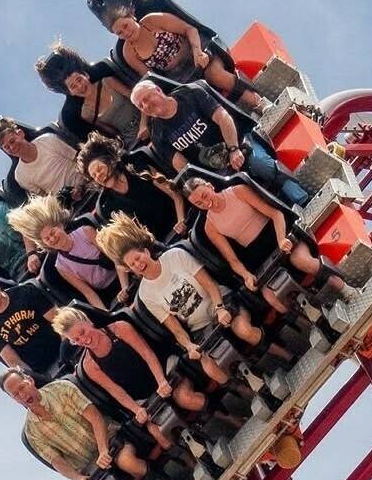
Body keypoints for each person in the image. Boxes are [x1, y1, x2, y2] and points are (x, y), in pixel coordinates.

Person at [95, 212, 262, 387]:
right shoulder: (145, 294)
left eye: (138, 258)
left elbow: (210, 285)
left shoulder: (175, 256)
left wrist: (220, 308)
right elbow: (175, 329)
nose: (138, 265)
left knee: (244, 330)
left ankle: (276, 355)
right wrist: (189, 345)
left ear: (145, 251)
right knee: (211, 368)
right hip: (201, 327)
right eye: (132, 265)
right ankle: (250, 392)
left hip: (220, 302)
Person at [86, 0, 265, 111]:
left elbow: (190, 29)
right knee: (195, 99)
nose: (126, 33)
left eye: (125, 26)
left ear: (131, 16)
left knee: (214, 75)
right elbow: (152, 78)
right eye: (119, 33)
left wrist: (197, 51)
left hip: (198, 52)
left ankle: (259, 103)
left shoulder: (153, 20)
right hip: (179, 78)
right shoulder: (129, 53)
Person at [0, 366, 148, 480]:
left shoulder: (61, 388)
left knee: (127, 462)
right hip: (90, 469)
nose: (22, 395)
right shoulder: (32, 432)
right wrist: (77, 478)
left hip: (110, 442)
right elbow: (57, 462)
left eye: (22, 387)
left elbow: (96, 418)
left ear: (29, 380)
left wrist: (103, 450)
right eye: (16, 394)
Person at [130, 80, 309, 208]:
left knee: (260, 164)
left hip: (238, 143)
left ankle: (302, 200)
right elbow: (181, 165)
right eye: (141, 106)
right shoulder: (158, 134)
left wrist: (234, 149)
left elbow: (223, 117)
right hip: (216, 172)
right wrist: (201, 184)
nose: (146, 106)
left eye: (147, 98)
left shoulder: (191, 93)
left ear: (158, 90)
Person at [181, 176, 349, 311]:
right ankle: (316, 313)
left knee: (301, 261)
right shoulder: (210, 227)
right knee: (273, 299)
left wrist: (281, 238)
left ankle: (345, 289)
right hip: (258, 255)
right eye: (199, 204)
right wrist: (246, 275)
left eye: (204, 196)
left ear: (210, 186)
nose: (205, 203)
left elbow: (276, 214)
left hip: (276, 234)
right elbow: (233, 261)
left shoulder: (237, 192)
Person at [51, 305, 207, 425]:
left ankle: (229, 418)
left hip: (164, 370)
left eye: (83, 332)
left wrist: (161, 381)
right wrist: (136, 409)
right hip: (143, 396)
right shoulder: (89, 365)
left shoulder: (120, 328)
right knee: (159, 429)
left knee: (185, 398)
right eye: (76, 340)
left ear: (89, 322)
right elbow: (116, 391)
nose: (83, 340)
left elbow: (147, 354)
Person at [7, 193, 128, 308]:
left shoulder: (86, 232)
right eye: (47, 239)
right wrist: (104, 312)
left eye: (53, 233)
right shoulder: (61, 266)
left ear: (60, 226)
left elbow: (115, 256)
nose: (53, 239)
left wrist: (125, 287)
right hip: (107, 293)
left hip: (123, 274)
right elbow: (88, 292)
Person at [77, 132, 184, 241]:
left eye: (100, 169)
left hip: (181, 219)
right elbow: (135, 237)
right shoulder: (106, 206)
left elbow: (173, 192)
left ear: (111, 161)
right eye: (94, 176)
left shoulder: (137, 163)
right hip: (161, 243)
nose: (98, 176)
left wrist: (181, 220)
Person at [35, 41, 143, 147]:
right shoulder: (86, 114)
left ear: (86, 75)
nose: (80, 86)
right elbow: (112, 134)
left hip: (145, 118)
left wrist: (144, 124)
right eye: (73, 86)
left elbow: (139, 98)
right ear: (70, 93)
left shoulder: (108, 81)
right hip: (132, 142)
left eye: (79, 79)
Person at [0, 268, 61, 373]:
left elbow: (57, 320)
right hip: (42, 369)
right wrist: (37, 379)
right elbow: (14, 362)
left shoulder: (24, 293)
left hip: (61, 347)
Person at [0, 116, 87, 199]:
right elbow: (45, 199)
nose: (12, 147)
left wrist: (82, 184)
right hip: (70, 203)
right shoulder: (20, 175)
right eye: (7, 147)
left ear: (20, 134)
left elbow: (79, 160)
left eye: (12, 141)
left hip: (88, 184)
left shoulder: (48, 140)